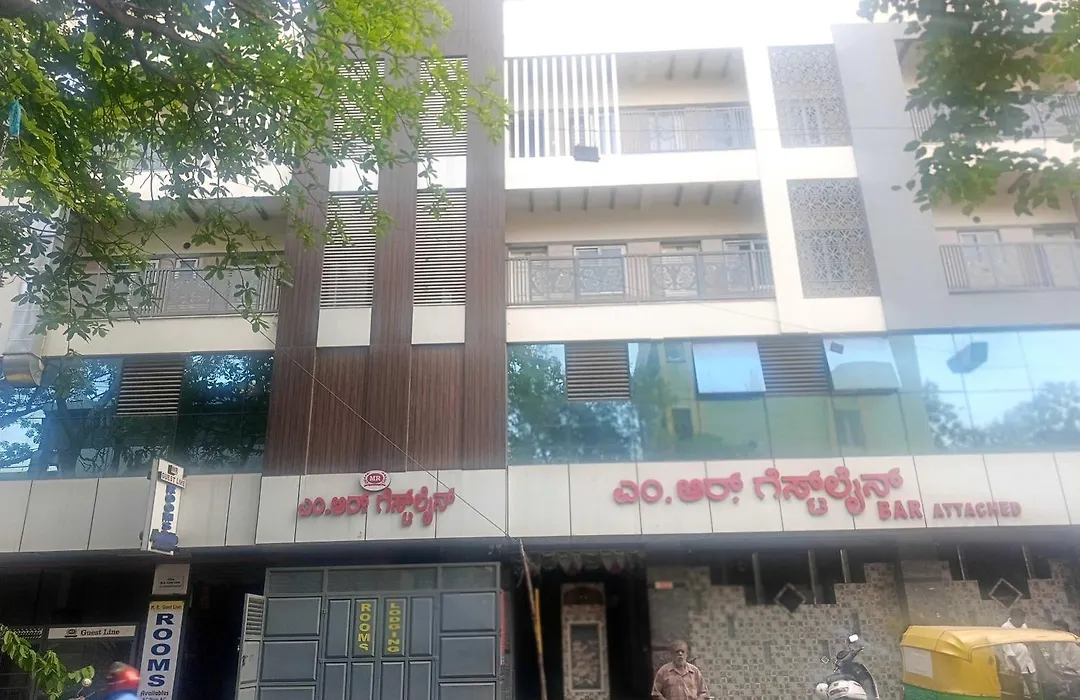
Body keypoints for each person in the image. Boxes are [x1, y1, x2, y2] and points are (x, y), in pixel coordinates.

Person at [1002, 609, 1036, 697]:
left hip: (1028, 663)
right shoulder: (1005, 628)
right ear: (1014, 618)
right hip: (1015, 664)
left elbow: (1027, 641)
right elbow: (1007, 650)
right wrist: (1017, 666)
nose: (1023, 622)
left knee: (1033, 688)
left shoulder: (1023, 625)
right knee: (1019, 689)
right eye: (1021, 620)